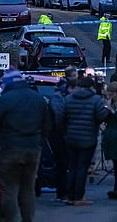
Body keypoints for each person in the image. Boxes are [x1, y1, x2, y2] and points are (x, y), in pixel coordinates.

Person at [0, 67, 50, 222]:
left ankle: (12, 219)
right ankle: (28, 218)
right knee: (28, 188)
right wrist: (38, 140)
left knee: (9, 188)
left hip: (9, 149)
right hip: (32, 149)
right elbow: (48, 125)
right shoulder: (37, 98)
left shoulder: (6, 99)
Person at [63, 76, 109, 205]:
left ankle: (69, 195)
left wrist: (65, 131)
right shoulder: (96, 100)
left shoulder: (69, 99)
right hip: (88, 137)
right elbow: (101, 117)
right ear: (92, 86)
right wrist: (108, 111)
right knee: (82, 167)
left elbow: (62, 116)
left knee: (72, 167)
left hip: (71, 137)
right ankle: (79, 196)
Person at [47, 68, 78, 203]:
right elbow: (59, 116)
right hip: (61, 136)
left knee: (64, 165)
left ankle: (64, 192)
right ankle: (64, 192)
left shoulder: (58, 94)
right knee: (64, 164)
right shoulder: (61, 96)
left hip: (61, 135)